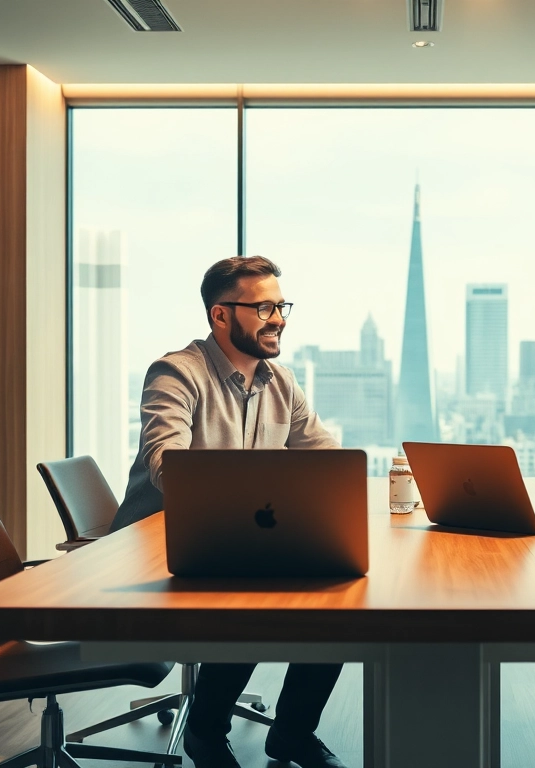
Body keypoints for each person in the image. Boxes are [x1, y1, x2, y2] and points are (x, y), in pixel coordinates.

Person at [111, 256, 346, 768]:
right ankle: (206, 731)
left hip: (241, 542)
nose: (278, 318)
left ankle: (293, 733)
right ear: (221, 315)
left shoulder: (281, 382)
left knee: (338, 592)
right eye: (264, 308)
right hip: (159, 548)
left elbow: (328, 460)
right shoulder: (177, 373)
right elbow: (165, 462)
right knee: (256, 593)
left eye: (281, 306)